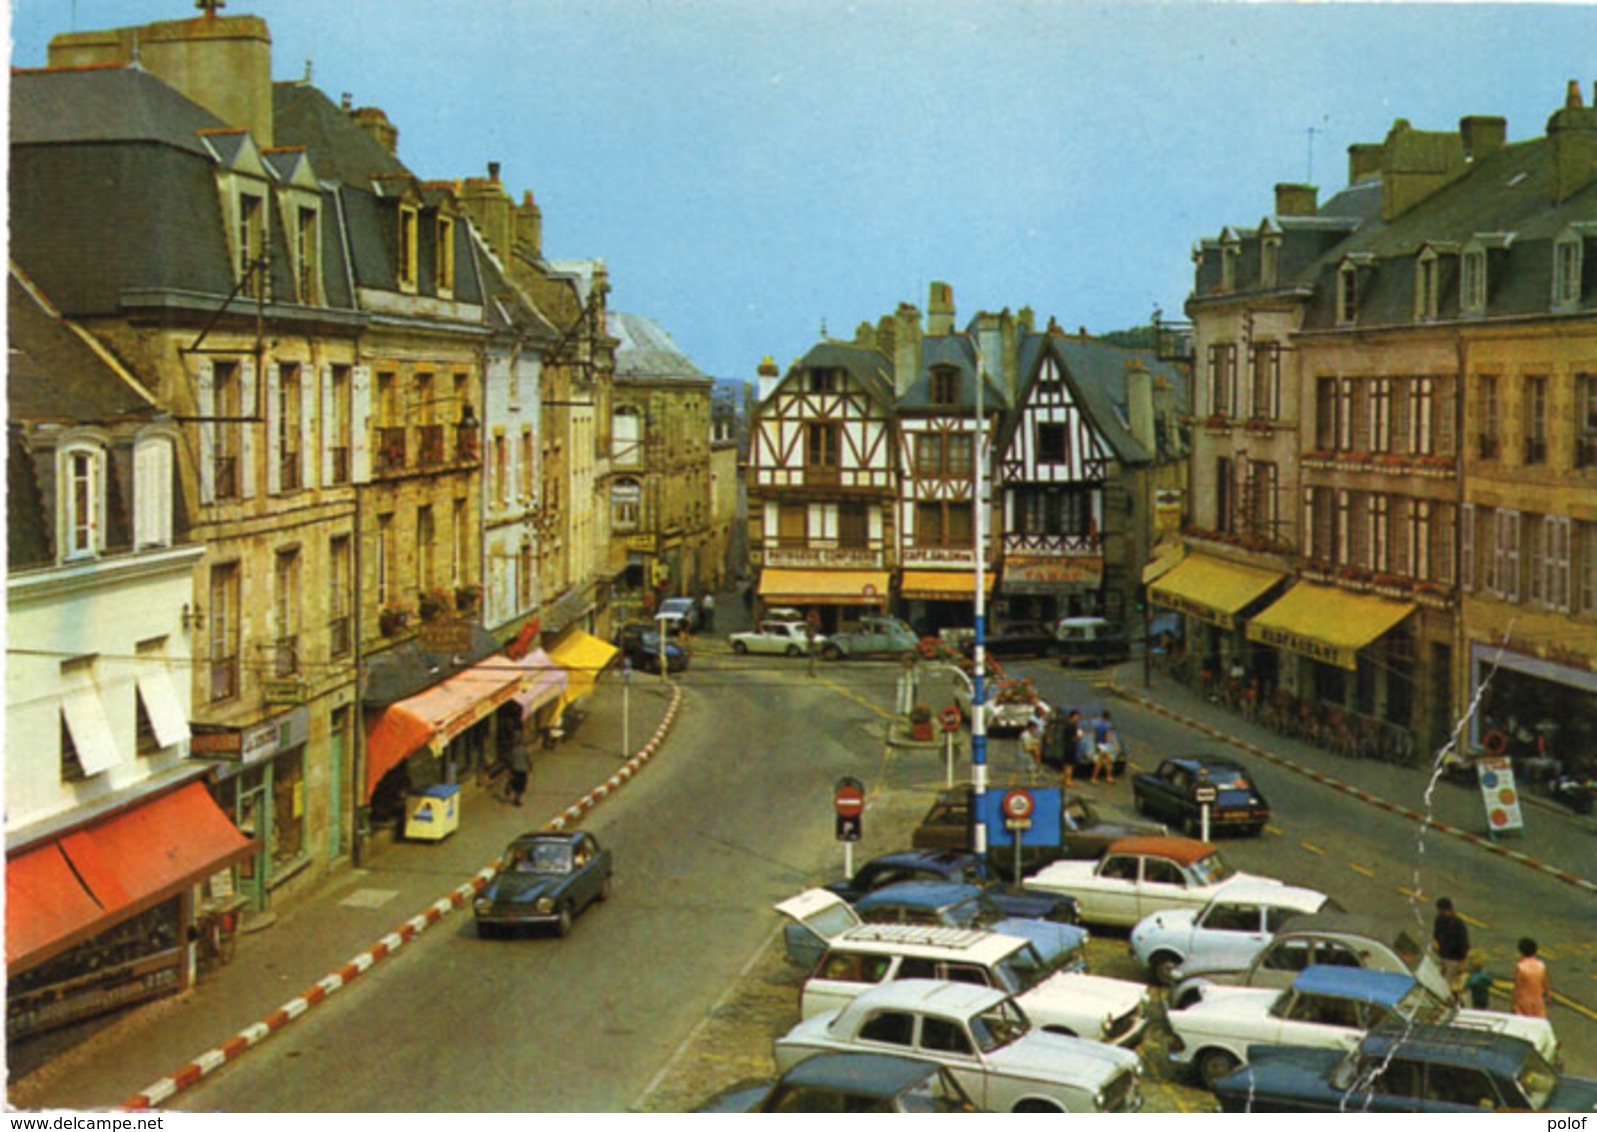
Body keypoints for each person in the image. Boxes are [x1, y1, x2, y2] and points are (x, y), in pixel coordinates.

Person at [1432, 897, 1471, 1002]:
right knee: (1440, 982)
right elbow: (1435, 935)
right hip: (1442, 956)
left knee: (1451, 986)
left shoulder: (1458, 924)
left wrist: (1462, 964)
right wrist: (1435, 943)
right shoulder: (1439, 920)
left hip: (1454, 960)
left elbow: (1464, 945)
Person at [1512, 937, 1551, 1018]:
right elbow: (1545, 983)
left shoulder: (1520, 967)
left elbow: (1518, 988)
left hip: (1523, 1003)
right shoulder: (1541, 965)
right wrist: (1548, 996)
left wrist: (1514, 1004)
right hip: (1538, 1002)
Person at [1091, 710, 1119, 785]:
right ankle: (1094, 778)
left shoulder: (1098, 725)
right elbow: (1108, 737)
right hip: (1104, 746)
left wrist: (1096, 744)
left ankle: (1109, 777)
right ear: (1108, 718)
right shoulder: (1107, 726)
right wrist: (1114, 744)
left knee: (1108, 762)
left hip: (1099, 744)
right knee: (1100, 763)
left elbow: (1094, 735)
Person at [1056, 709, 1082, 789]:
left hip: (1066, 746)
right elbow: (1074, 738)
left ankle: (1062, 778)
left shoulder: (1066, 725)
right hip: (1071, 747)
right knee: (1070, 765)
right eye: (1077, 717)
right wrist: (1079, 736)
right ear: (1073, 716)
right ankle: (1068, 781)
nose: (1078, 719)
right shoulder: (1072, 726)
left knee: (1066, 764)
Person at [505, 730, 531, 807]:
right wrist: (530, 767)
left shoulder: (513, 751)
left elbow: (510, 760)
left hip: (515, 769)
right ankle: (517, 799)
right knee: (521, 785)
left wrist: (509, 769)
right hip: (523, 770)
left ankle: (510, 786)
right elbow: (528, 759)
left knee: (516, 783)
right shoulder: (525, 750)